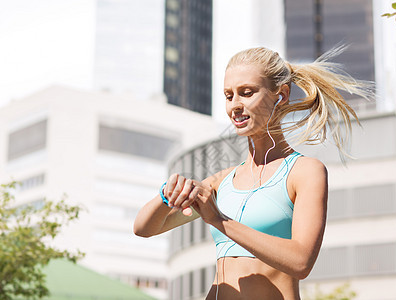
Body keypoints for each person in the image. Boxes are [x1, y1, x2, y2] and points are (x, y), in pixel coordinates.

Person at [134, 46, 372, 300]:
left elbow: (301, 262)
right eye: (228, 96)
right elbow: (144, 228)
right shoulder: (222, 181)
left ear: (281, 95)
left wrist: (219, 220)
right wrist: (165, 194)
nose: (235, 105)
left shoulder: (304, 172)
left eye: (246, 93)